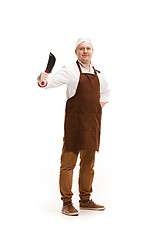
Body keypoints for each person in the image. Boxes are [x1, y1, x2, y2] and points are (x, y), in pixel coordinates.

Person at [37, 38, 110, 216]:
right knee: (68, 165)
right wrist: (43, 78)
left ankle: (85, 200)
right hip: (75, 126)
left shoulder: (98, 73)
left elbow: (106, 93)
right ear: (76, 52)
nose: (85, 51)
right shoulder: (70, 71)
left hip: (92, 125)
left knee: (88, 165)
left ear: (92, 51)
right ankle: (67, 202)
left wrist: (94, 110)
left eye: (88, 48)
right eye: (81, 49)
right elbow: (46, 84)